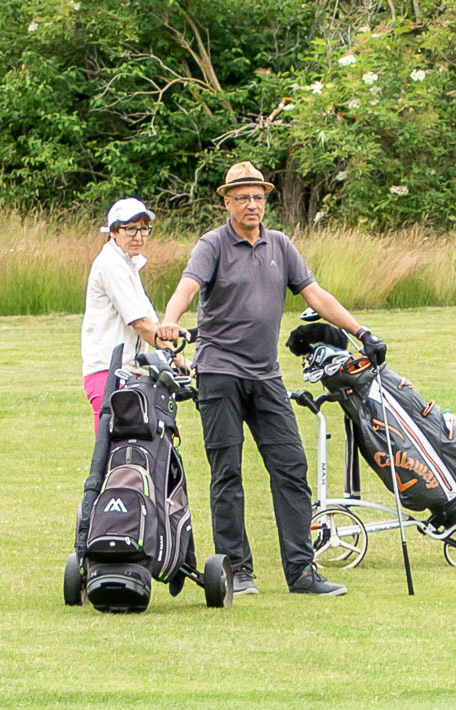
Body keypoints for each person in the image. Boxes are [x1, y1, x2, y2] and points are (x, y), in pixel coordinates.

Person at [159, 160, 374, 598]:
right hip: (219, 373)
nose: (252, 204)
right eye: (243, 198)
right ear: (226, 201)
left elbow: (316, 294)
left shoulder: (280, 244)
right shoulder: (213, 244)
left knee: (291, 467)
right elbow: (188, 285)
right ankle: (236, 572)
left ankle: (302, 572)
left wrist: (362, 333)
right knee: (227, 473)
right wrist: (168, 321)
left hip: (266, 376)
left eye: (258, 197)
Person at [80, 195, 180, 500]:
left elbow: (149, 321)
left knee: (133, 457)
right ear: (113, 231)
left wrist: (173, 359)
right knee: (113, 459)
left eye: (143, 229)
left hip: (130, 373)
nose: (138, 236)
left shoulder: (127, 266)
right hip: (108, 373)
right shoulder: (111, 264)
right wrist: (169, 354)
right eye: (130, 229)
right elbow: (140, 323)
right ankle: (107, 527)